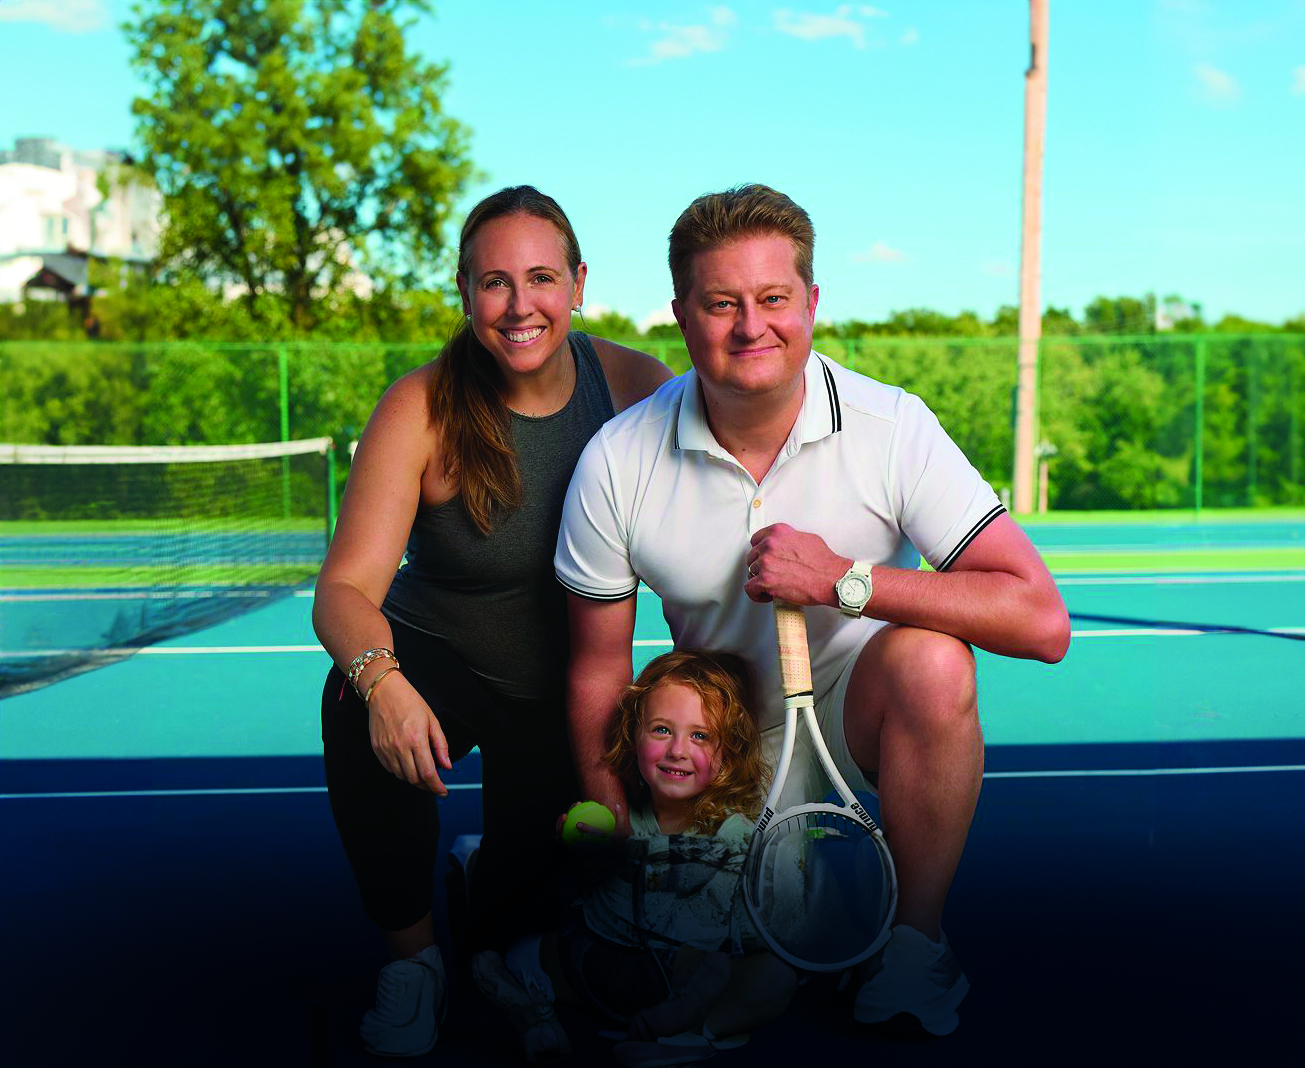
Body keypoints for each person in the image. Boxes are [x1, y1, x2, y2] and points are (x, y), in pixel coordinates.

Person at [554, 184, 1070, 1038]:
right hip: (709, 743)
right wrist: (620, 837)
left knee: (932, 661)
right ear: (682, 316)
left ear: (812, 304)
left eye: (772, 299)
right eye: (720, 303)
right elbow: (597, 668)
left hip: (856, 717)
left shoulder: (892, 426)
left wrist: (844, 580)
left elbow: (1040, 621)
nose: (749, 325)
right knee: (698, 978)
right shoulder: (617, 458)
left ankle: (913, 946)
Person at [313, 185, 672, 1058]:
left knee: (531, 911)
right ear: (466, 292)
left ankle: (488, 878)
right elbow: (343, 591)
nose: (520, 307)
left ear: (578, 283)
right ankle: (413, 965)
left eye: (542, 278)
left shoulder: (634, 386)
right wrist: (384, 685)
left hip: (563, 689)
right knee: (351, 705)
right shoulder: (421, 405)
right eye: (495, 283)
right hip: (437, 664)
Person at [470, 650, 798, 1067]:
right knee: (501, 957)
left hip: (685, 975)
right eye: (662, 730)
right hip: (595, 964)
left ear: (727, 756)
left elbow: (751, 930)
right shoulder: (615, 818)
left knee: (775, 975)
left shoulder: (736, 834)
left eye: (700, 736)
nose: (678, 750)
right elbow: (574, 885)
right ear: (633, 735)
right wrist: (571, 846)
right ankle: (534, 1022)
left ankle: (690, 1032)